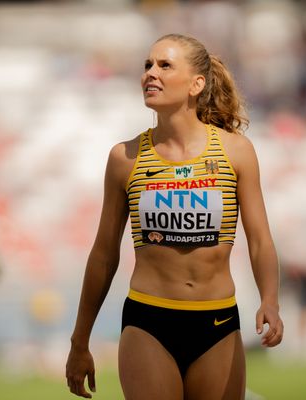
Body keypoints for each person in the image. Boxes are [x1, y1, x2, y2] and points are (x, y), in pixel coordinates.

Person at [66, 33, 283, 400]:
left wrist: (270, 300)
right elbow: (103, 255)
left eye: (165, 65)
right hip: (148, 323)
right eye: (147, 65)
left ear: (197, 83)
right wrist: (79, 342)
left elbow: (260, 239)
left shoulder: (236, 152)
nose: (151, 73)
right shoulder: (124, 158)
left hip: (217, 323)